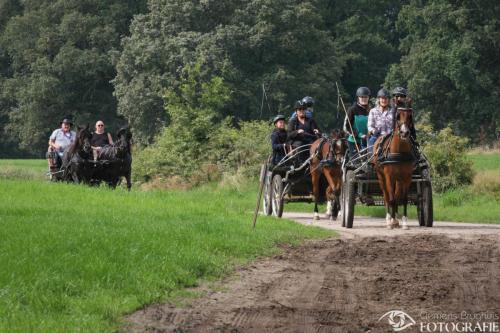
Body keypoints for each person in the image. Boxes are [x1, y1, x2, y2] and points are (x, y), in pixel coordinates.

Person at [344, 87, 370, 158]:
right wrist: (358, 134)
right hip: (354, 141)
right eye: (362, 97)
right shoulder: (352, 109)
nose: (364, 99)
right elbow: (347, 126)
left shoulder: (371, 110)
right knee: (357, 163)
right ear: (358, 98)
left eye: (366, 97)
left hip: (368, 141)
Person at [367, 88, 393, 154]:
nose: (384, 100)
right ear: (379, 99)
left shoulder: (393, 111)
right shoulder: (373, 111)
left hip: (390, 136)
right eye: (382, 98)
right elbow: (370, 126)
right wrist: (373, 131)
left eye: (386, 98)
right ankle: (371, 161)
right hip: (377, 136)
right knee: (371, 143)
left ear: (388, 100)